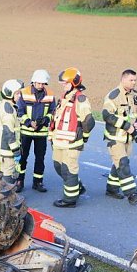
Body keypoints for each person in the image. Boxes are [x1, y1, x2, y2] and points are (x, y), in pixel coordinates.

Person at [49, 67, 94, 208]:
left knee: (69, 170)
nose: (63, 85)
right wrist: (51, 137)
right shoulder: (64, 98)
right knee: (58, 167)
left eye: (66, 83)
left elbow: (88, 122)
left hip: (72, 143)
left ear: (74, 82)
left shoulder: (80, 99)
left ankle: (69, 200)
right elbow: (56, 119)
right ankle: (77, 187)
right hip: (59, 142)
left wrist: (83, 138)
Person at [102, 69, 137, 205]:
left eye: (135, 80)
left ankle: (112, 189)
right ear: (123, 79)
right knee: (123, 165)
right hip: (115, 138)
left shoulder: (135, 96)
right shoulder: (113, 96)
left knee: (118, 164)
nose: (134, 83)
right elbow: (107, 115)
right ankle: (132, 194)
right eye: (131, 80)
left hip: (128, 138)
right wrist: (127, 126)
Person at [16, 69, 55, 193]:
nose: (41, 86)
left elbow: (52, 112)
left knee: (40, 158)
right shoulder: (24, 93)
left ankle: (38, 182)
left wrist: (44, 120)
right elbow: (19, 111)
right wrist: (29, 122)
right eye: (38, 83)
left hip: (41, 132)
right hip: (26, 132)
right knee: (22, 157)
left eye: (43, 84)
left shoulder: (50, 95)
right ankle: (19, 181)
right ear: (33, 82)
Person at [0, 79, 24, 185]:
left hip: (4, 148)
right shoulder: (9, 110)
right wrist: (16, 151)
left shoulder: (5, 105)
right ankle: (7, 199)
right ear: (10, 94)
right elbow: (9, 133)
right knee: (9, 175)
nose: (19, 95)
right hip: (8, 150)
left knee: (5, 173)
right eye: (17, 93)